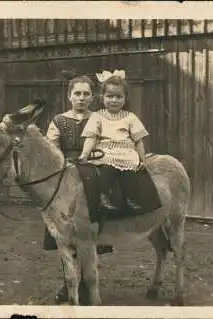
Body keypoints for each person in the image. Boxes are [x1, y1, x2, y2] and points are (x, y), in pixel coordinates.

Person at [43, 73, 113, 304]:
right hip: (65, 176)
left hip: (93, 171)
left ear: (93, 97)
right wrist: (65, 163)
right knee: (64, 235)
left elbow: (107, 146)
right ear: (69, 96)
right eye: (77, 94)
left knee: (89, 229)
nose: (81, 98)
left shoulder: (100, 118)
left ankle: (86, 282)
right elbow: (51, 150)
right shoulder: (58, 121)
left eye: (86, 94)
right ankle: (68, 282)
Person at [79, 69, 148, 211]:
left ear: (125, 98)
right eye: (110, 96)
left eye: (119, 96)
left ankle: (130, 198)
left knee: (130, 173)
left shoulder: (130, 117)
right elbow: (91, 137)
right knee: (106, 171)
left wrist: (143, 159)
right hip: (106, 152)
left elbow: (138, 141)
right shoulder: (98, 116)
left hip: (126, 153)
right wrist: (85, 154)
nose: (114, 100)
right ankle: (103, 197)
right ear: (102, 97)